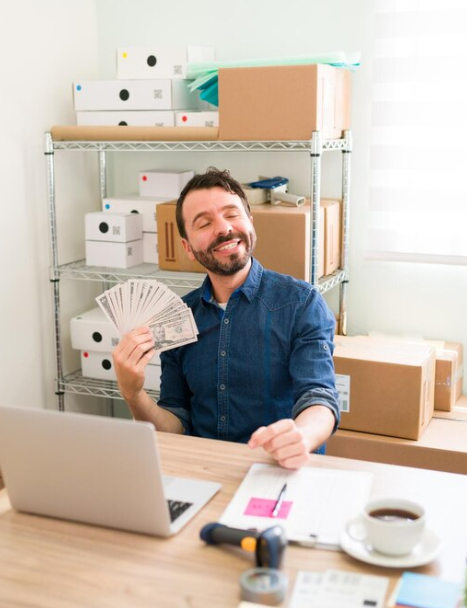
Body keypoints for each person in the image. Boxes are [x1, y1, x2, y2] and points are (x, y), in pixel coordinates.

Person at [112, 168, 340, 469]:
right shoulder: (180, 317)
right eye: (204, 223)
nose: (223, 229)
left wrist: (302, 437)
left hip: (277, 471)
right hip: (201, 471)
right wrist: (133, 393)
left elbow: (319, 396)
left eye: (232, 215)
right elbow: (174, 426)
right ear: (187, 248)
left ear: (250, 224)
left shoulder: (301, 303)